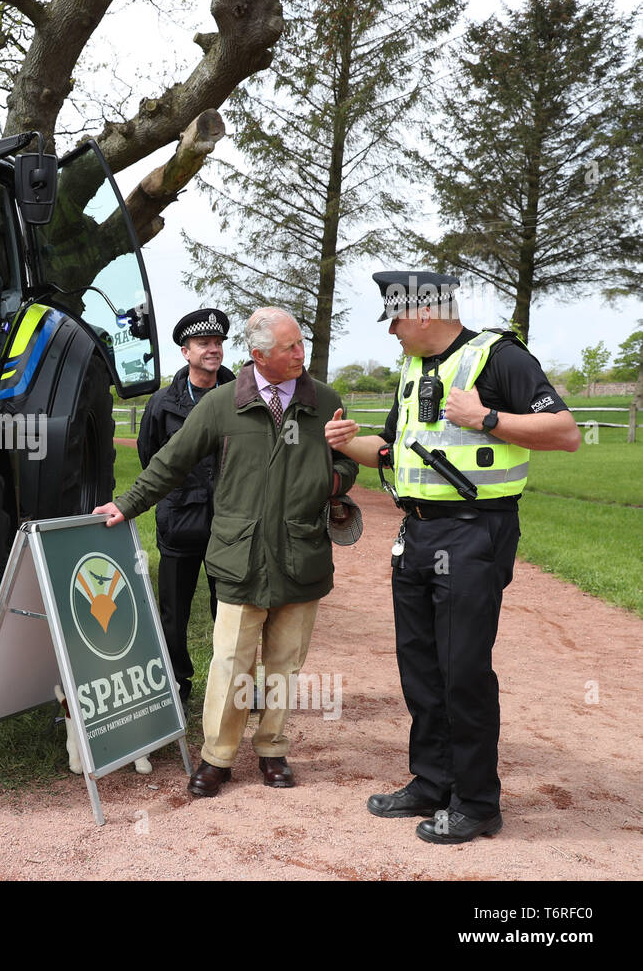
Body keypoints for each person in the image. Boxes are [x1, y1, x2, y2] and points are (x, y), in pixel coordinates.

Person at [324, 270, 580, 844]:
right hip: (415, 534)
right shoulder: (413, 370)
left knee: (461, 668)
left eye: (394, 319)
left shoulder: (499, 357)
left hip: (473, 534)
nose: (390, 331)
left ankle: (477, 802)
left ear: (421, 314)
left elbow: (565, 432)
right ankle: (432, 782)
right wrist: (345, 442)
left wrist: (486, 418)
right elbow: (390, 451)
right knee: (419, 665)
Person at [96, 308, 358, 797]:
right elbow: (170, 461)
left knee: (285, 663)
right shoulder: (220, 405)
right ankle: (217, 757)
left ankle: (273, 749)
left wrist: (334, 476)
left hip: (302, 554)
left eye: (301, 344)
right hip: (240, 557)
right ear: (259, 356)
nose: (301, 354)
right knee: (230, 663)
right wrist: (128, 505)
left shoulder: (325, 401)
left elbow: (345, 462)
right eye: (290, 348)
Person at [138, 308, 236, 708]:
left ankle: (229, 686)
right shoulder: (162, 403)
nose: (212, 350)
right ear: (185, 352)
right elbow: (151, 459)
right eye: (203, 344)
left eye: (217, 343)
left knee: (231, 612)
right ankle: (176, 684)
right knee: (173, 614)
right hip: (180, 521)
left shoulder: (242, 395)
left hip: (232, 524)